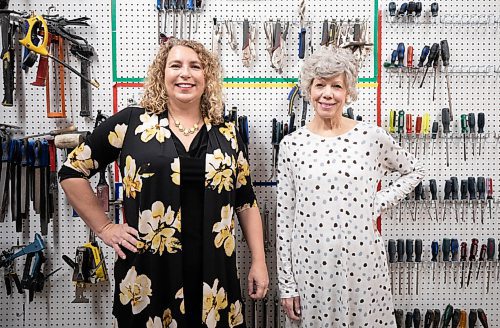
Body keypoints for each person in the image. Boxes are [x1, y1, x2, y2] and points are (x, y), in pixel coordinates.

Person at [59, 38, 269, 328]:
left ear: (206, 77)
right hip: (149, 277)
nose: (186, 73)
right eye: (176, 66)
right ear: (162, 74)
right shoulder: (131, 123)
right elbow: (72, 171)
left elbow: (246, 202)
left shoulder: (227, 134)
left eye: (195, 66)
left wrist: (259, 260)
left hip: (214, 282)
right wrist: (105, 227)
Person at [276, 48, 426, 327]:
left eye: (336, 86)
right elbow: (284, 217)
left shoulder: (370, 137)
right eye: (320, 85)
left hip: (362, 264)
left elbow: (414, 170)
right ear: (309, 89)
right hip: (310, 266)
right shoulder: (291, 145)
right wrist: (287, 284)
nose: (327, 94)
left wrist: (376, 202)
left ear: (348, 92)